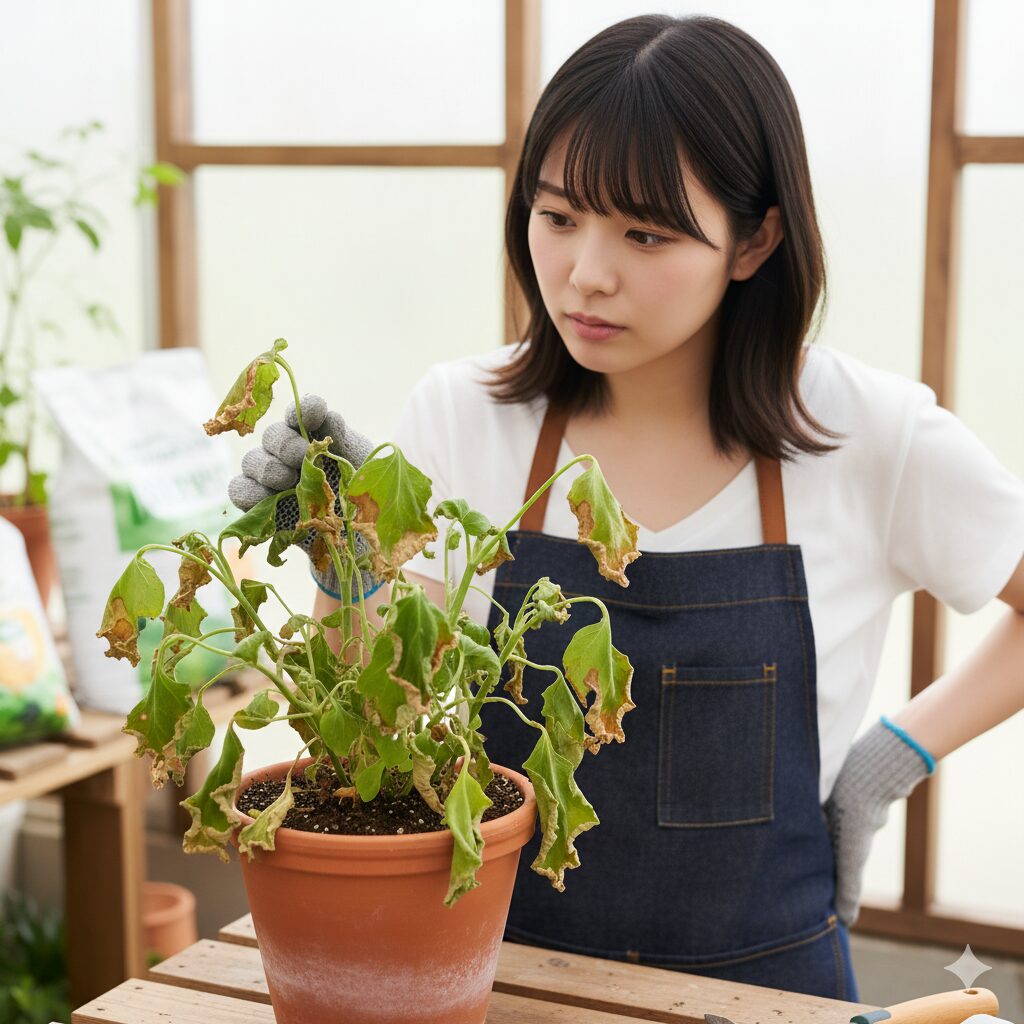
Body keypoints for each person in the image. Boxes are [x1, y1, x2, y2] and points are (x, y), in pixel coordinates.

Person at [228, 14, 1024, 1001]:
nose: (585, 273)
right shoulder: (464, 416)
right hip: (500, 978)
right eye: (557, 217)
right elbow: (372, 742)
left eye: (644, 233)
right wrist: (345, 563)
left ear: (755, 238)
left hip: (769, 995)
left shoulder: (867, 434)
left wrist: (885, 763)